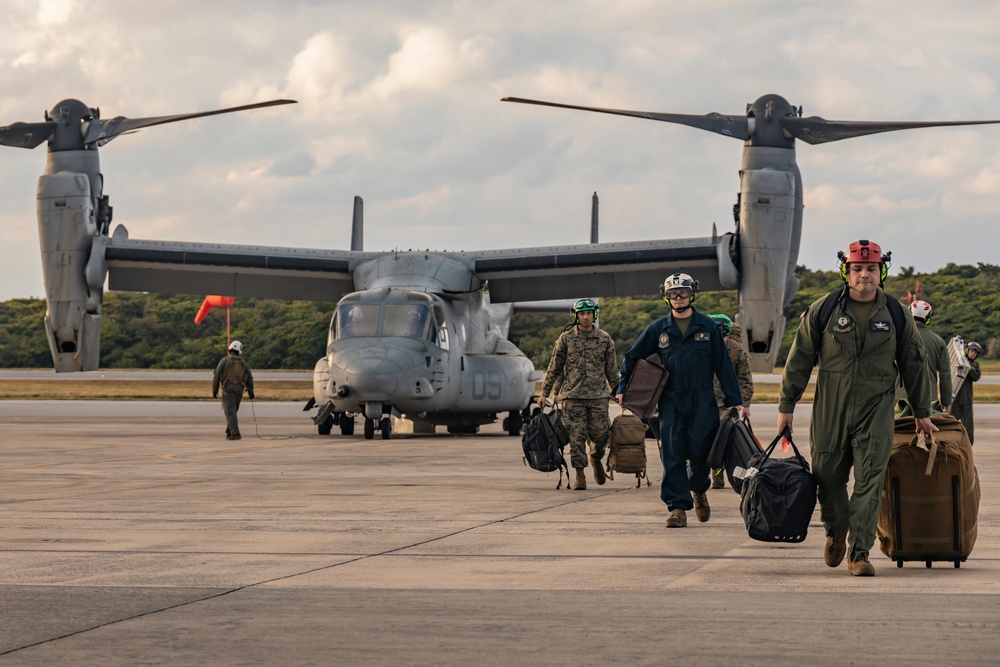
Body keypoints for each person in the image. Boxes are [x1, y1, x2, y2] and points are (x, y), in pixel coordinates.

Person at [778, 240, 935, 577]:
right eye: (858, 268)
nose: (865, 274)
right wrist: (786, 405)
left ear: (882, 273)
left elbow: (915, 362)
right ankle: (836, 531)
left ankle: (859, 553)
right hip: (830, 407)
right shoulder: (823, 310)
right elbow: (799, 359)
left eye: (872, 268)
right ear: (847, 272)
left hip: (877, 407)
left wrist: (922, 411)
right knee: (828, 478)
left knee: (869, 481)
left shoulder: (896, 313)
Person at [616, 274, 742, 527]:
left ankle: (698, 489)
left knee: (700, 454)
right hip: (671, 400)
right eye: (673, 294)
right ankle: (677, 508)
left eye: (683, 293)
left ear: (692, 294)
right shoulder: (658, 329)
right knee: (672, 454)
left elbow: (723, 364)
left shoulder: (707, 327)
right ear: (666, 296)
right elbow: (632, 357)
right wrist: (622, 387)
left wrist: (734, 399)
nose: (678, 298)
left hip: (703, 399)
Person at [537, 298, 619, 491]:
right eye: (582, 314)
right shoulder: (566, 338)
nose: (585, 317)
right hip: (572, 397)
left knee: (601, 436)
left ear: (594, 314)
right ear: (575, 316)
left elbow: (612, 371)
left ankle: (596, 457)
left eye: (589, 313)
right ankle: (580, 475)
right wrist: (545, 394)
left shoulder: (605, 339)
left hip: (598, 396)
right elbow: (554, 368)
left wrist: (619, 393)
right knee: (576, 438)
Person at [708, 313, 754, 489]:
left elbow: (745, 380)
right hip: (704, 403)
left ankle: (719, 475)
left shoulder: (736, 350)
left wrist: (743, 404)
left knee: (724, 442)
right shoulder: (700, 348)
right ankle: (701, 475)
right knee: (705, 441)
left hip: (728, 405)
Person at [895, 300, 952, 415]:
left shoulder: (897, 337)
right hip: (928, 398)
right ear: (928, 318)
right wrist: (946, 401)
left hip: (899, 398)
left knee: (899, 431)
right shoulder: (938, 341)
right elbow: (945, 375)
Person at [212, 340, 255, 440]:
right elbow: (250, 377)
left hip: (228, 391)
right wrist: (251, 392)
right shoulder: (243, 363)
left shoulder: (224, 361)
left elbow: (216, 376)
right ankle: (229, 431)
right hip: (239, 391)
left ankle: (235, 433)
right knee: (232, 412)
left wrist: (215, 390)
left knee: (230, 413)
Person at [952, 341, 983, 444]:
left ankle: (968, 445)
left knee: (968, 425)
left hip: (967, 399)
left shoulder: (974, 365)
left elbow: (976, 377)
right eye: (971, 351)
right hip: (954, 398)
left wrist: (967, 368)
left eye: (975, 352)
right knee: (952, 422)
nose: (973, 353)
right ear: (967, 350)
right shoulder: (958, 360)